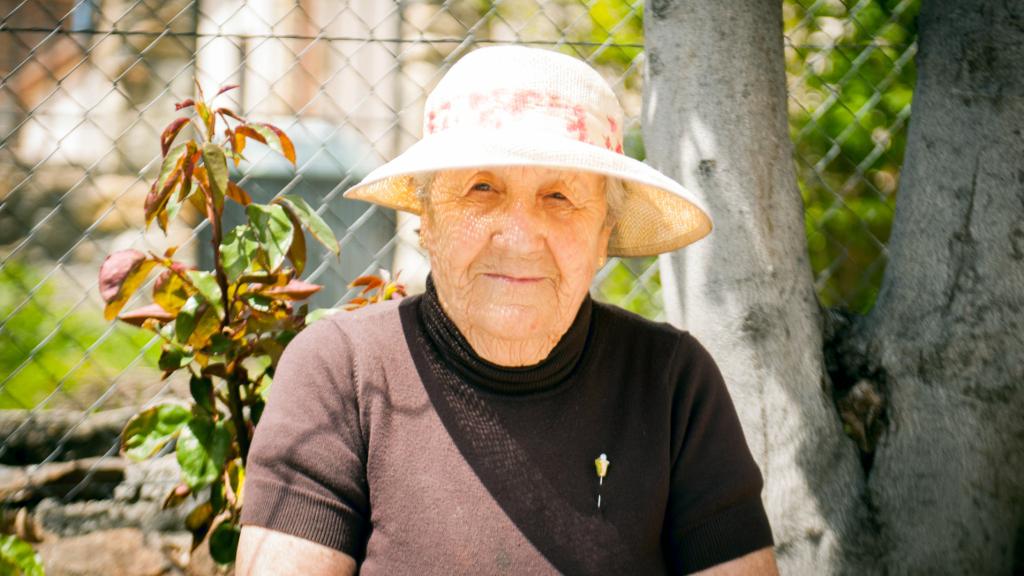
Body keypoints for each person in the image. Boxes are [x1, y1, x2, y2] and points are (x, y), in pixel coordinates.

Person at [236, 45, 777, 575]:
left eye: (559, 197)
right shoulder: (342, 373)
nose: (519, 236)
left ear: (603, 235)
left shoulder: (671, 383)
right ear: (426, 219)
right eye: (482, 188)